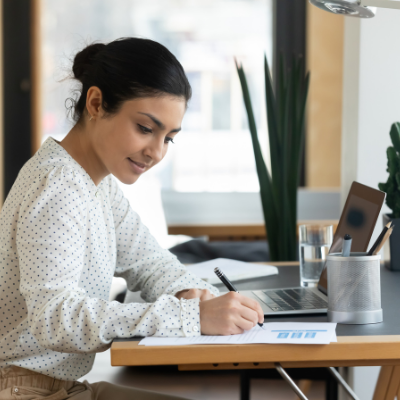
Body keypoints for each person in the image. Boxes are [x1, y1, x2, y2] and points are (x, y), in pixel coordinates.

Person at [0, 37, 264, 399]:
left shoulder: (96, 185)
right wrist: (190, 317)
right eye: (145, 128)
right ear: (95, 103)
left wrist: (189, 292)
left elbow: (149, 262)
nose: (156, 152)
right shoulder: (57, 186)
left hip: (62, 389)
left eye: (169, 138)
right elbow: (54, 319)